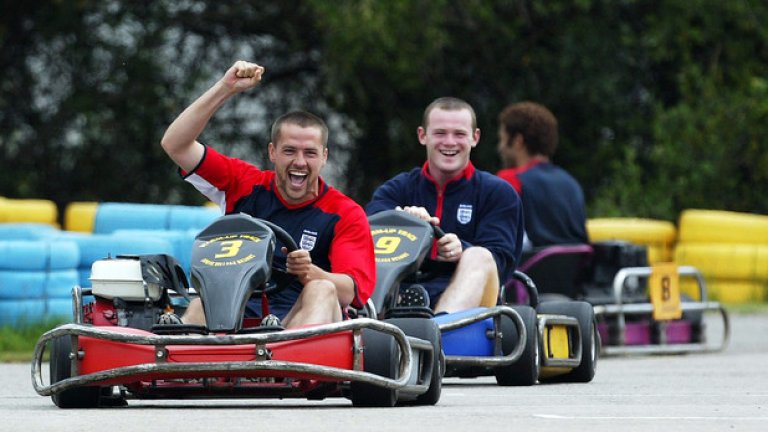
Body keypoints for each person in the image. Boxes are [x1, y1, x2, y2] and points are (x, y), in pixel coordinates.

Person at [160, 60, 375, 329]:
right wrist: (225, 88)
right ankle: (188, 366)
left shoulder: (345, 213)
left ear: (324, 157)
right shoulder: (244, 184)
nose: (299, 162)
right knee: (199, 303)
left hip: (295, 324)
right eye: (289, 151)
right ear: (272, 152)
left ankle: (286, 366)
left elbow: (351, 293)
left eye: (309, 153)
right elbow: (175, 145)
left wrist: (309, 272)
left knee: (322, 289)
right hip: (234, 321)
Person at [366, 97, 523, 313]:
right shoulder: (397, 189)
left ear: (474, 138)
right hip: (400, 294)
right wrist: (400, 220)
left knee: (479, 255)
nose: (449, 142)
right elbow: (366, 232)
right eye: (440, 133)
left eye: (459, 134)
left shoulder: (498, 192)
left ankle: (438, 335)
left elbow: (500, 262)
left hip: (469, 302)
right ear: (423, 136)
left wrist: (461, 250)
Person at [496, 101, 588, 250]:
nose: (500, 148)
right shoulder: (571, 183)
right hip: (575, 271)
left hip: (529, 270)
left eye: (502, 139)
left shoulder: (510, 180)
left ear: (518, 141)